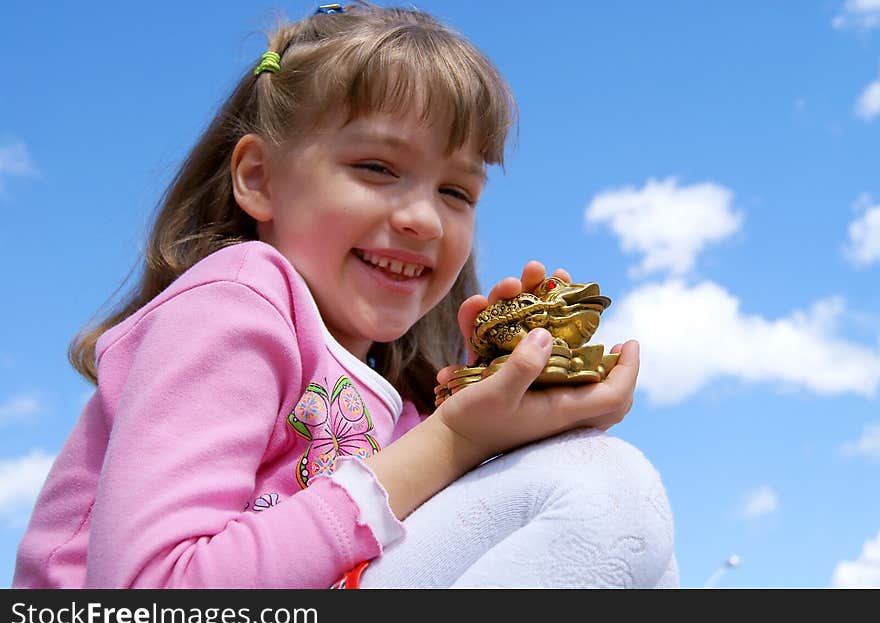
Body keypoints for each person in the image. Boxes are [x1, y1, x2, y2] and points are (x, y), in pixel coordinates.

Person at [13, 2, 678, 589]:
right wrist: (455, 441)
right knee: (606, 486)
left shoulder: (408, 410)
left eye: (456, 191)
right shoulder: (234, 302)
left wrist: (507, 415)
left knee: (610, 509)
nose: (424, 218)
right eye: (377, 168)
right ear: (260, 179)